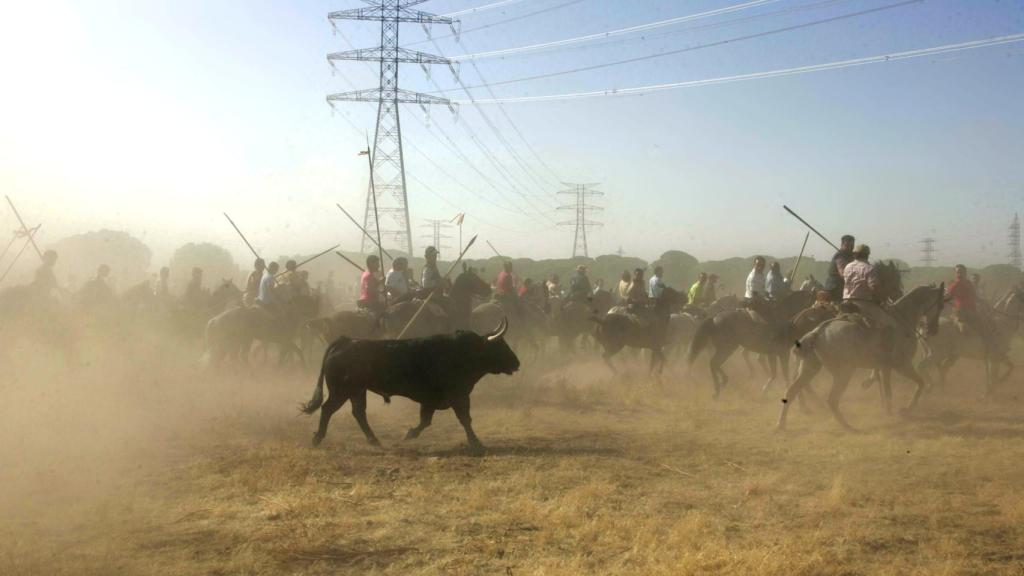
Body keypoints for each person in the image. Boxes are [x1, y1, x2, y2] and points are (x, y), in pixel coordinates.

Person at [947, 265, 996, 350]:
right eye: (957, 272)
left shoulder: (969, 283)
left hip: (972, 311)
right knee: (978, 327)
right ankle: (988, 346)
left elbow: (975, 297)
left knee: (986, 323)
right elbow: (947, 296)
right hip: (961, 312)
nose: (959, 274)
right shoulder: (954, 285)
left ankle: (987, 345)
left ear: (965, 272)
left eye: (961, 272)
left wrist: (983, 301)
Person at [824, 235, 855, 302]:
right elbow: (843, 274)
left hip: (842, 287)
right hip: (835, 289)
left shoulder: (849, 256)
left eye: (852, 246)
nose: (850, 248)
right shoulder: (839, 256)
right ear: (842, 244)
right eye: (848, 245)